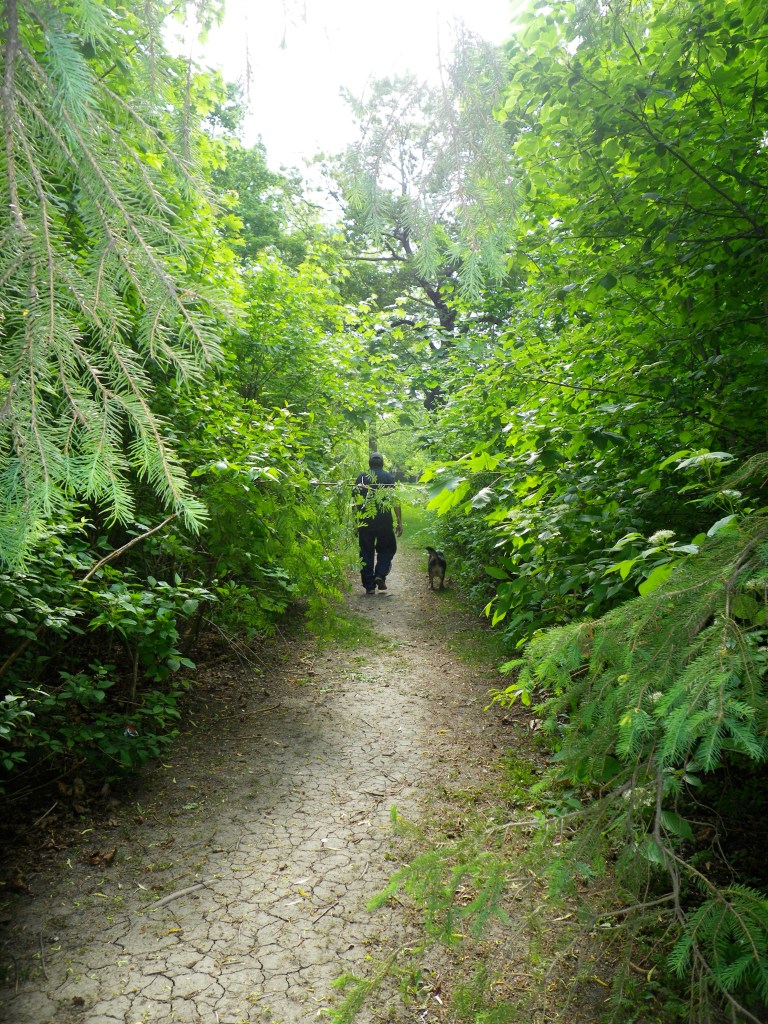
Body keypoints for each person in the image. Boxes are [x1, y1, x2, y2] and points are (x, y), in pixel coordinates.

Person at [353, 452, 403, 594]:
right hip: (384, 522)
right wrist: (399, 522)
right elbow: (395, 501)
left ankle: (369, 586)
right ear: (382, 463)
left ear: (369, 463)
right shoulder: (388, 478)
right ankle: (380, 574)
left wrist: (355, 522)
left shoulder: (361, 477)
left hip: (365, 521)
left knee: (366, 552)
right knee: (387, 548)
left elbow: (354, 503)